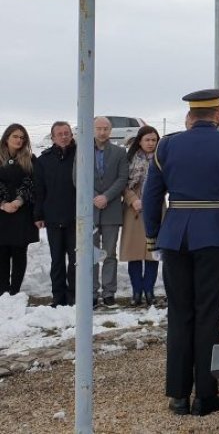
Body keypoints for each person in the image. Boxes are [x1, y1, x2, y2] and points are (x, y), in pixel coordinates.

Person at [143, 89, 219, 417]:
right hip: (214, 237)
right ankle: (205, 394)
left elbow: (151, 197)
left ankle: (177, 395)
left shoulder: (167, 145)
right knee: (208, 315)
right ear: (218, 115)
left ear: (191, 116)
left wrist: (153, 237)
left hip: (175, 236)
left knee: (179, 314)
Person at [34, 122, 77, 307]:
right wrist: (38, 215)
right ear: (52, 137)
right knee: (57, 260)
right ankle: (58, 297)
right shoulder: (43, 160)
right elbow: (39, 190)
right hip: (52, 217)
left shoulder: (79, 156)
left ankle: (74, 296)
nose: (64, 136)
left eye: (67, 133)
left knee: (75, 260)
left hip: (76, 218)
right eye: (59, 134)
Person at [88, 116, 129, 307]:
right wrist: (95, 196)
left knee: (110, 253)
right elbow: (77, 177)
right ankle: (91, 292)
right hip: (90, 211)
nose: (102, 132)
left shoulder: (120, 153)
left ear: (110, 131)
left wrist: (106, 197)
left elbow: (123, 178)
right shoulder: (83, 151)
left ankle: (109, 292)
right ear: (93, 129)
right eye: (99, 128)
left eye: (106, 129)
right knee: (92, 253)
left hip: (111, 209)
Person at [120, 125, 161, 306]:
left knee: (153, 252)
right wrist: (133, 199)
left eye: (154, 140)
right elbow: (123, 182)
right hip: (133, 210)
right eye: (147, 140)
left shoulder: (162, 159)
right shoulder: (129, 159)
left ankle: (149, 290)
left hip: (156, 207)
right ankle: (137, 291)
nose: (151, 143)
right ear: (140, 141)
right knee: (135, 252)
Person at [0, 125, 38, 296]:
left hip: (21, 213)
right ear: (7, 138)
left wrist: (19, 200)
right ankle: (2, 290)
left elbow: (31, 183)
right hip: (1, 212)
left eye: (22, 138)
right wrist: (3, 203)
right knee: (2, 252)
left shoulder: (30, 160)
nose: (19, 140)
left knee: (19, 252)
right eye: (15, 136)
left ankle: (15, 291)